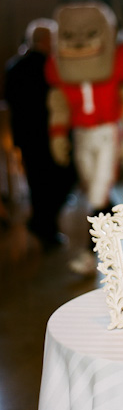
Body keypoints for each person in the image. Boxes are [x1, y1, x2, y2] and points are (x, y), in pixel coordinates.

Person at [45, 2, 123, 275]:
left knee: (98, 193)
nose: (80, 41)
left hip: (107, 130)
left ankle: (88, 254)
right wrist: (58, 133)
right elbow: (59, 102)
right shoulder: (58, 65)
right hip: (81, 133)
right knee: (95, 193)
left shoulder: (119, 58)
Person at [4, 19, 76, 250]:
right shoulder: (51, 67)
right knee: (58, 180)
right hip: (48, 135)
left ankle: (43, 226)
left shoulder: (14, 66)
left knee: (38, 184)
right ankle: (44, 227)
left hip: (26, 137)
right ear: (46, 41)